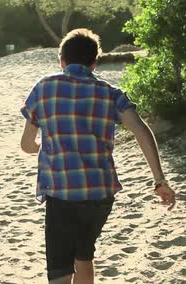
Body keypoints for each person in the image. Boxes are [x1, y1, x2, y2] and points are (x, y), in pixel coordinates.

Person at [20, 28, 176, 284]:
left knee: (60, 269)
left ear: (62, 61)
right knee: (84, 254)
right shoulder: (111, 93)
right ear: (94, 63)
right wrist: (159, 179)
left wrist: (45, 146)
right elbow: (141, 131)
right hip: (100, 194)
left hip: (61, 193)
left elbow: (26, 144)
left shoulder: (44, 87)